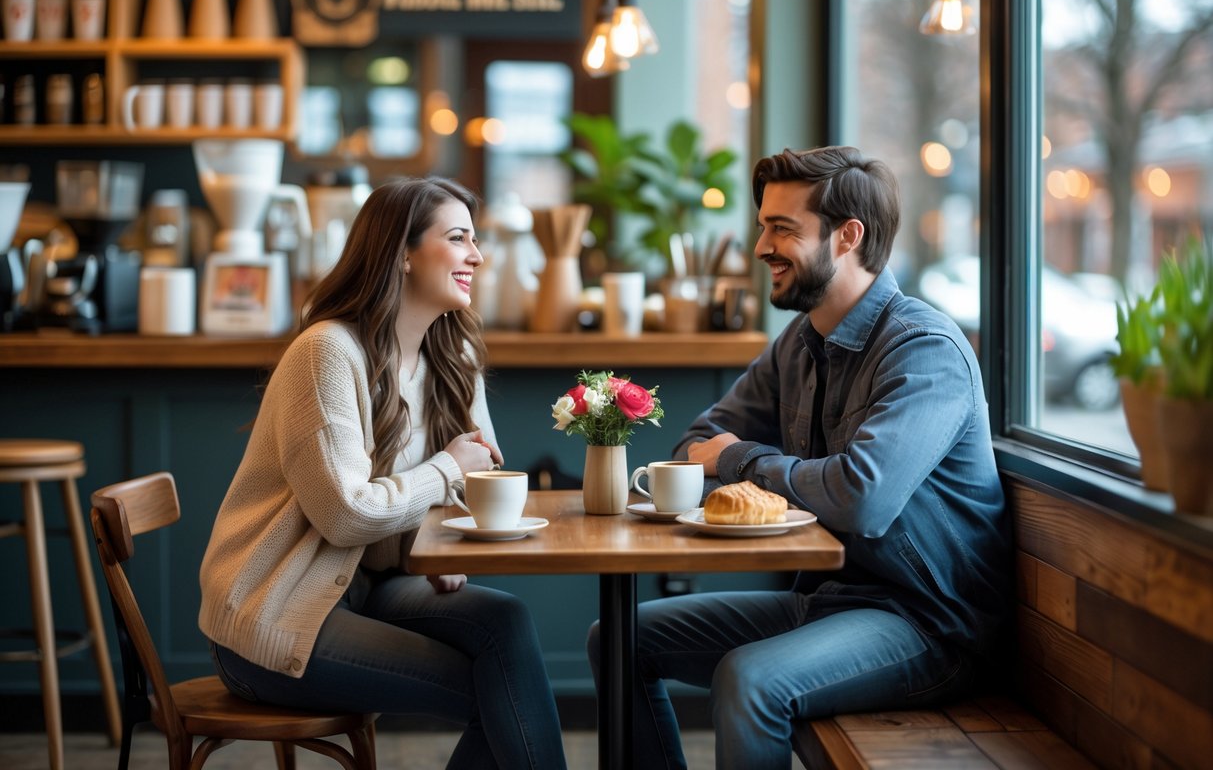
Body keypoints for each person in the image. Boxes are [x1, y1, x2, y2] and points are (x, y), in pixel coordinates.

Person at [588, 146, 1011, 769]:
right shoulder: (800, 341)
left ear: (847, 237)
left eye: (782, 229)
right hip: (829, 601)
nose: (761, 247)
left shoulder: (924, 349)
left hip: (928, 624)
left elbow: (860, 498)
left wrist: (740, 461)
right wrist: (733, 457)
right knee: (620, 640)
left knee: (749, 680)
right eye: (764, 225)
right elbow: (695, 444)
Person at [200, 177, 567, 769]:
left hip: (370, 585)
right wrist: (447, 466)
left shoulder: (453, 355)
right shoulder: (326, 353)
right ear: (402, 252)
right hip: (277, 610)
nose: (477, 255)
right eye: (457, 238)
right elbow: (346, 514)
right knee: (502, 691)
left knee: (506, 622)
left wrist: (448, 543)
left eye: (476, 240)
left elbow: (480, 477)